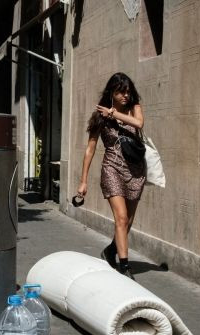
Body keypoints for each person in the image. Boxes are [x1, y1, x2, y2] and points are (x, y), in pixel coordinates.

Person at [76, 72, 145, 278]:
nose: (125, 95)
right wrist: (83, 180)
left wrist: (113, 114)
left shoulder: (135, 108)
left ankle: (111, 251)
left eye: (127, 91)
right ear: (111, 93)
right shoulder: (100, 116)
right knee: (121, 218)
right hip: (112, 169)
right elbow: (90, 149)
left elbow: (138, 124)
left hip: (136, 170)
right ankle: (125, 267)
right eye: (120, 92)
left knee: (128, 221)